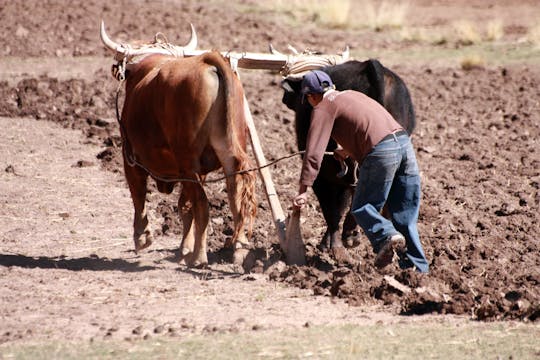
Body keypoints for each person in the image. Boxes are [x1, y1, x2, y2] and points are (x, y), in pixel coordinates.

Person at [293, 70, 429, 273]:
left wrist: (303, 190)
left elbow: (313, 153)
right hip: (404, 145)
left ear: (312, 96)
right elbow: (368, 125)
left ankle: (386, 236)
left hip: (382, 152)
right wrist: (347, 150)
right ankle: (417, 270)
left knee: (363, 207)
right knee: (404, 213)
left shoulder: (323, 107)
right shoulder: (352, 95)